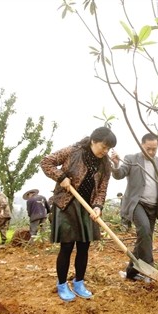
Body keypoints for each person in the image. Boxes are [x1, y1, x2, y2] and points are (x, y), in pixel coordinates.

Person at [41, 126, 117, 302]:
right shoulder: (73, 151)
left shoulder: (105, 165)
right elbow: (46, 162)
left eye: (108, 148)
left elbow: (102, 190)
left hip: (87, 207)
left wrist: (98, 206)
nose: (105, 151)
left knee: (84, 247)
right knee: (67, 246)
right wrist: (61, 177)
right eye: (103, 146)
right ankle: (61, 284)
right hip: (66, 204)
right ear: (93, 141)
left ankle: (79, 282)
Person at [110, 133, 158, 281]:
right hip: (137, 204)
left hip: (153, 206)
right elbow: (119, 174)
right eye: (149, 149)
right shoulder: (131, 159)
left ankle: (131, 273)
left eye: (155, 149)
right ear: (142, 145)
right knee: (145, 231)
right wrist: (115, 164)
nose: (152, 152)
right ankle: (151, 270)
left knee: (144, 238)